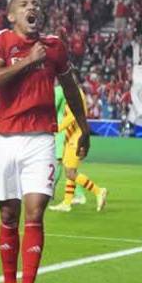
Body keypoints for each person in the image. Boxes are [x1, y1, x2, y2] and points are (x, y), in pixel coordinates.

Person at [0, 0, 92, 283]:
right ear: (12, 15)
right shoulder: (0, 40)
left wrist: (83, 126)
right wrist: (29, 61)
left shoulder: (55, 46)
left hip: (41, 139)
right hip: (7, 139)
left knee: (35, 212)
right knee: (7, 214)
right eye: (25, 5)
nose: (33, 9)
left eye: (37, 5)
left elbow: (70, 87)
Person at [49, 81, 108, 213]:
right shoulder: (73, 91)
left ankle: (98, 191)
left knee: (70, 172)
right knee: (69, 170)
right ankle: (67, 202)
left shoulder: (74, 93)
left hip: (76, 137)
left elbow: (73, 115)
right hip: (71, 135)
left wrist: (57, 128)